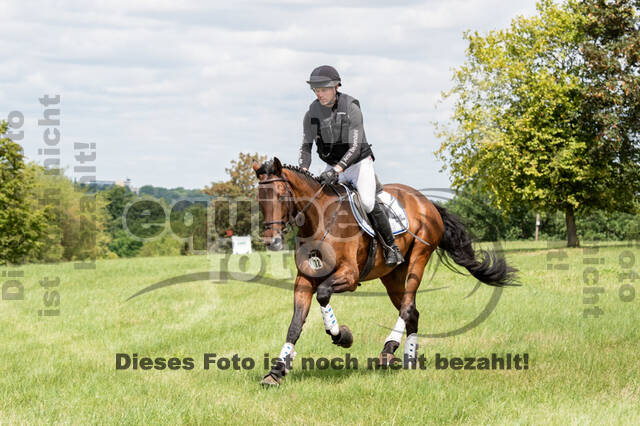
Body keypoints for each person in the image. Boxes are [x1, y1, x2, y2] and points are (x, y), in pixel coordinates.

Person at [298, 65, 403, 265]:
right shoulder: (311, 113)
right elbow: (306, 147)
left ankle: (391, 248)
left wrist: (337, 170)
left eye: (323, 89)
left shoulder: (351, 107)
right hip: (332, 166)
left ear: (336, 87)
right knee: (318, 202)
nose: (319, 94)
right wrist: (303, 171)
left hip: (358, 163)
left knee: (367, 202)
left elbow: (355, 147)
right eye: (316, 90)